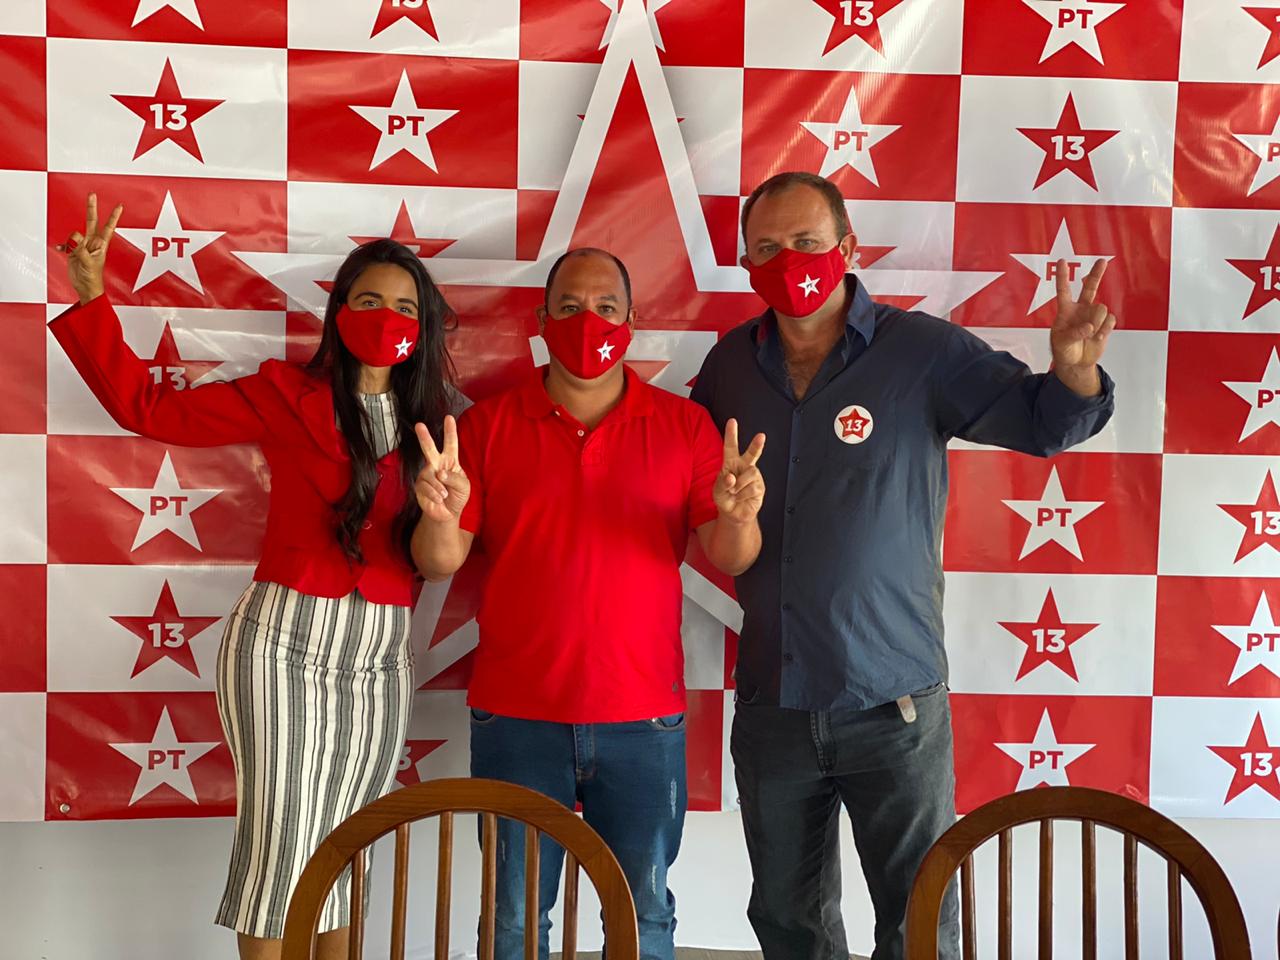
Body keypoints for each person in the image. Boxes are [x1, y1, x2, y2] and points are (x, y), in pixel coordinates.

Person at [689, 172, 1117, 960]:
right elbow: (693, 499)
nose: (789, 261)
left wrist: (1073, 370)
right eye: (767, 248)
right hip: (773, 702)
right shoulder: (726, 370)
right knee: (786, 921)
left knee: (920, 924)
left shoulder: (922, 352)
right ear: (746, 264)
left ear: (848, 248)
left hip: (894, 706)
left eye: (807, 242)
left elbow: (1042, 423)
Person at [52, 194, 457, 960]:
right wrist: (92, 296)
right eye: (369, 300)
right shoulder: (285, 394)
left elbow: (442, 553)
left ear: (425, 324)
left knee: (350, 847)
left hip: (379, 659)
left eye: (405, 306)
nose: (386, 317)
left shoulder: (439, 429)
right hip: (282, 649)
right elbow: (149, 410)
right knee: (281, 849)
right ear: (339, 312)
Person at [411, 247, 766, 960]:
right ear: (542, 321)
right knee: (513, 921)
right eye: (569, 307)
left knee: (645, 918)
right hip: (516, 715)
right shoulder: (485, 427)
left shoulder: (685, 426)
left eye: (606, 307)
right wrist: (439, 516)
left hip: (643, 716)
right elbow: (437, 561)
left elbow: (732, 557)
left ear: (632, 321)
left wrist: (738, 516)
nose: (588, 322)